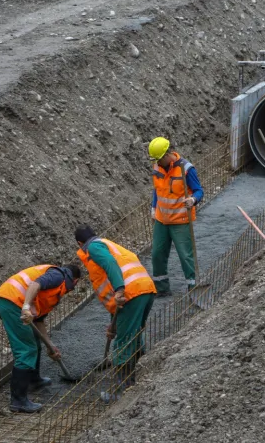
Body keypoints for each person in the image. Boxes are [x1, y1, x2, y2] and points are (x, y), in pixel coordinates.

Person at [73, 225, 156, 401]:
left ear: (80, 243)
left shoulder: (93, 247)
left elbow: (110, 265)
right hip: (144, 290)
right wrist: (114, 324)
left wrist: (119, 289)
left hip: (129, 294)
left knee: (124, 342)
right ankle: (141, 374)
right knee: (134, 334)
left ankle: (121, 391)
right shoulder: (108, 244)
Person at [0, 263, 82, 413]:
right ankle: (18, 401)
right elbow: (35, 284)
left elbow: (39, 321)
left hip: (11, 301)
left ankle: (34, 380)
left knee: (35, 341)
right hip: (12, 302)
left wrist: (50, 346)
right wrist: (26, 306)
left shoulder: (55, 293)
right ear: (76, 281)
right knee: (26, 349)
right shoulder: (58, 275)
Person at [147, 136, 203, 296]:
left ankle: (193, 287)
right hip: (161, 220)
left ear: (167, 155)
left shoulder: (186, 169)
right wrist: (153, 207)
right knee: (157, 253)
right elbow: (157, 189)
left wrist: (193, 199)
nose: (156, 163)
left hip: (181, 220)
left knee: (185, 255)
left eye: (158, 159)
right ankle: (162, 288)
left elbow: (199, 190)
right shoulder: (157, 168)